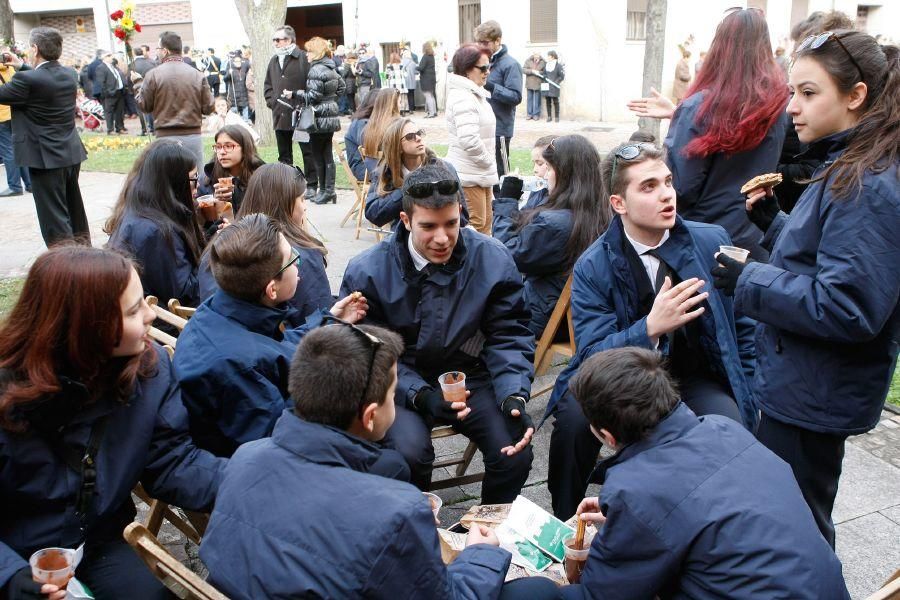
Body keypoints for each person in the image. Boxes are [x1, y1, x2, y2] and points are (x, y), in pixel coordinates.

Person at [201, 323, 560, 600]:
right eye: (393, 395)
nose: (396, 402)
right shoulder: (396, 512)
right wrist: (479, 554)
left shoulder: (245, 458)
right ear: (371, 416)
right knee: (540, 592)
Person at [713, 31, 900, 547]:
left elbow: (849, 306)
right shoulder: (849, 161)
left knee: (795, 528)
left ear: (855, 95)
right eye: (792, 92)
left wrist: (748, 277)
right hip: (804, 381)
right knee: (788, 514)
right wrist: (776, 224)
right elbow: (830, 257)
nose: (792, 108)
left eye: (808, 93)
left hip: (815, 390)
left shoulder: (866, 179)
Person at [545, 141, 757, 520]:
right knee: (574, 422)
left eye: (668, 182)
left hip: (693, 375)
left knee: (730, 428)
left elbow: (741, 325)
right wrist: (650, 328)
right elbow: (593, 353)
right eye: (648, 187)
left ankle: (717, 525)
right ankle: (565, 523)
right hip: (620, 378)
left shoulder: (710, 240)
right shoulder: (594, 265)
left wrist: (752, 387)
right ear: (618, 204)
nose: (666, 195)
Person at [0, 245, 226, 600]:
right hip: (15, 553)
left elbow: (171, 462)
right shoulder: (7, 393)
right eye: (134, 309)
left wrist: (250, 475)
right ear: (85, 328)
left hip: (96, 539)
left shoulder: (149, 372)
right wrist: (11, 577)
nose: (150, 315)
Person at [560, 348, 849, 599]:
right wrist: (629, 522)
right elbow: (705, 508)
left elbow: (601, 593)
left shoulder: (636, 490)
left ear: (608, 437)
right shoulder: (725, 428)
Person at [342, 161, 537, 504]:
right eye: (428, 227)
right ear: (405, 221)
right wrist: (420, 394)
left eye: (451, 223)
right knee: (408, 454)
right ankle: (417, 528)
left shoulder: (491, 258)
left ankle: (483, 532)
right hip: (398, 381)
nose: (443, 238)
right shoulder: (368, 270)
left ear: (461, 213)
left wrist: (513, 394)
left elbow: (510, 332)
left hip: (469, 375)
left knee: (514, 449)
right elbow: (368, 349)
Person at [174, 214, 386, 463]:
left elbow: (272, 348)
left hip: (255, 441)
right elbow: (283, 444)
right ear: (271, 289)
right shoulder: (238, 366)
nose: (298, 265)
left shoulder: (220, 309)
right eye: (292, 260)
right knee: (392, 464)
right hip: (250, 471)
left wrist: (329, 319)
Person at [663, 8, 789, 261]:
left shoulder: (699, 108)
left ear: (719, 47)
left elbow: (680, 187)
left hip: (703, 242)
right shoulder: (779, 107)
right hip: (755, 238)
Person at [493, 134, 609, 338]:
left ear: (565, 174)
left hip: (546, 318)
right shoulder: (601, 210)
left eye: (549, 167)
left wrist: (507, 199)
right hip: (582, 312)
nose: (545, 175)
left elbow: (505, 255)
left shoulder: (555, 225)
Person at [199, 163, 333, 325]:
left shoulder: (219, 245)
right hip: (283, 344)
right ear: (286, 203)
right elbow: (320, 318)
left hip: (221, 332)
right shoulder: (297, 255)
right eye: (302, 199)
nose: (304, 207)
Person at [0, 27, 90, 247]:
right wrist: (21, 65)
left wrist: (21, 68)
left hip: (44, 157)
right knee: (73, 207)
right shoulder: (69, 74)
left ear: (35, 48)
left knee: (53, 216)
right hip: (69, 152)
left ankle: (64, 263)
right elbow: (43, 77)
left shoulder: (27, 81)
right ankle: (84, 253)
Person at [106, 139, 206, 308]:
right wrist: (216, 254)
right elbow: (187, 296)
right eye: (194, 179)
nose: (198, 187)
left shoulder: (141, 210)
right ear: (173, 183)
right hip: (163, 324)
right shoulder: (156, 232)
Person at [134, 31, 215, 172]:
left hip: (165, 138)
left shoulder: (153, 75)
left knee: (166, 183)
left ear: (165, 51)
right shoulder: (197, 74)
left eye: (158, 49)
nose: (157, 53)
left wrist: (136, 83)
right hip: (192, 137)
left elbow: (144, 106)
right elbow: (208, 107)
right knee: (195, 182)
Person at [364, 117, 462, 228]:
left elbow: (463, 216)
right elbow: (373, 214)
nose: (419, 138)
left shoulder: (444, 168)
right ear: (397, 146)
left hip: (440, 234)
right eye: (410, 137)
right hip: (403, 238)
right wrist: (407, 188)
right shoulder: (386, 172)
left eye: (419, 133)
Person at [445, 44, 497, 234]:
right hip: (469, 174)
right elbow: (469, 140)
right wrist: (488, 161)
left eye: (488, 67)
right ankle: (472, 265)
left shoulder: (474, 94)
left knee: (485, 225)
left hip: (480, 172)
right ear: (467, 69)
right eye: (482, 68)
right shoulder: (463, 97)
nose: (487, 72)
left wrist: (487, 164)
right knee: (473, 228)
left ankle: (484, 263)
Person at [263, 25, 317, 198]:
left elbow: (311, 84)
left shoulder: (302, 58)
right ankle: (287, 186)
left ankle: (312, 184)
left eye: (279, 39)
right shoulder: (273, 60)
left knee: (307, 151)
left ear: (289, 40)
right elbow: (268, 85)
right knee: (284, 154)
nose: (276, 43)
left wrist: (303, 101)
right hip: (280, 113)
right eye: (274, 40)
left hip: (300, 113)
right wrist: (271, 101)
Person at [474, 20, 523, 192]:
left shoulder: (511, 64)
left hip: (500, 129)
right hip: (481, 127)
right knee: (484, 175)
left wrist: (491, 86)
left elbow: (516, 96)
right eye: (479, 43)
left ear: (498, 41)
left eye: (485, 43)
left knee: (501, 176)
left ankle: (503, 212)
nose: (481, 46)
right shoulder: (482, 61)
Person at [303, 36, 345, 205]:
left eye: (309, 51)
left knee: (318, 155)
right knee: (326, 154)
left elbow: (312, 96)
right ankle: (329, 191)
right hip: (330, 115)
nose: (306, 55)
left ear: (315, 52)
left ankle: (325, 191)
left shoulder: (316, 70)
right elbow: (341, 87)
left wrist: (295, 95)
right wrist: (330, 101)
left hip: (319, 117)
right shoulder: (331, 67)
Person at [197, 123, 264, 215]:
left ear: (245, 149)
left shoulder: (263, 177)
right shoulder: (206, 180)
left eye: (228, 146)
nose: (222, 152)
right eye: (218, 147)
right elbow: (203, 224)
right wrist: (215, 202)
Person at [0, 60, 31, 197]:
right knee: (19, 148)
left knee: (8, 151)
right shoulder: (10, 68)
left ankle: (14, 186)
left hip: (1, 116)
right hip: (14, 114)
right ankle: (30, 184)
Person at [344, 86, 381, 181]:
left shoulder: (367, 121)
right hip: (363, 169)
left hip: (372, 165)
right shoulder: (362, 123)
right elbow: (370, 147)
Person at [360, 87, 401, 173]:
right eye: (399, 102)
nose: (401, 105)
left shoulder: (366, 129)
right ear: (393, 105)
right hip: (394, 176)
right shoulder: (397, 127)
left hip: (375, 175)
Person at [94, 52, 126, 135]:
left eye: (111, 56)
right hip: (110, 93)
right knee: (109, 112)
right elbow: (101, 83)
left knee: (119, 111)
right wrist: (108, 92)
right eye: (109, 56)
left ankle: (119, 128)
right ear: (104, 58)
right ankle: (110, 129)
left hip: (119, 91)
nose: (111, 57)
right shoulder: (101, 67)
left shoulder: (112, 66)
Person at [522, 134, 556, 209]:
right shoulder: (538, 189)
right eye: (534, 163)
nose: (534, 170)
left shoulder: (557, 204)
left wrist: (508, 199)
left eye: (540, 163)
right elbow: (524, 214)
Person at [131, 46, 156, 134]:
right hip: (152, 88)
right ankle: (153, 129)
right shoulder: (152, 62)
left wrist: (131, 90)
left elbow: (129, 78)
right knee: (152, 109)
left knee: (141, 110)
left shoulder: (132, 64)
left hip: (138, 89)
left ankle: (144, 129)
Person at [223, 53, 251, 122]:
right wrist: (229, 73)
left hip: (244, 94)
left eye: (239, 61)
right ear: (234, 62)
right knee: (234, 113)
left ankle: (245, 123)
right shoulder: (230, 68)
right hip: (234, 95)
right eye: (236, 61)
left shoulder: (244, 68)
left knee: (245, 112)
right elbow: (225, 79)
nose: (238, 63)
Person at [542, 50, 565, 122]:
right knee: (548, 101)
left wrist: (556, 82)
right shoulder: (546, 65)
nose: (547, 57)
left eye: (549, 56)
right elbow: (544, 73)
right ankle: (549, 117)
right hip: (547, 86)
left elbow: (561, 76)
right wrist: (544, 77)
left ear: (552, 57)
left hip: (554, 86)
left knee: (556, 101)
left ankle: (557, 117)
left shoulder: (558, 66)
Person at [523, 50, 545, 120]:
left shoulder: (543, 62)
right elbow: (523, 69)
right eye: (535, 55)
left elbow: (545, 72)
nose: (536, 56)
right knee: (529, 99)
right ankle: (529, 114)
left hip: (538, 82)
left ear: (539, 55)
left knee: (537, 100)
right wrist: (531, 71)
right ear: (533, 55)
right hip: (529, 82)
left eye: (538, 55)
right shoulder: (528, 61)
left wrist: (539, 72)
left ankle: (536, 115)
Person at [418, 42, 437, 118]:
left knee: (428, 96)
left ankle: (431, 113)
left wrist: (415, 67)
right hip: (432, 78)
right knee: (431, 96)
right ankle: (434, 112)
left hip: (426, 79)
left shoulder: (425, 56)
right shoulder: (432, 56)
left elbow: (421, 68)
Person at [338, 49, 357, 115]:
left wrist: (341, 69)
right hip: (354, 82)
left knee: (350, 98)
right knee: (353, 98)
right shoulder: (355, 63)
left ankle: (353, 113)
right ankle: (354, 111)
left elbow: (344, 74)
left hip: (348, 82)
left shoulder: (347, 64)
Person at [401, 48, 418, 113]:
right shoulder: (413, 62)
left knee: (405, 95)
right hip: (412, 81)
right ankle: (412, 108)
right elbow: (416, 72)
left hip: (405, 81)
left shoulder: (402, 62)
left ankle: (405, 108)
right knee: (411, 95)